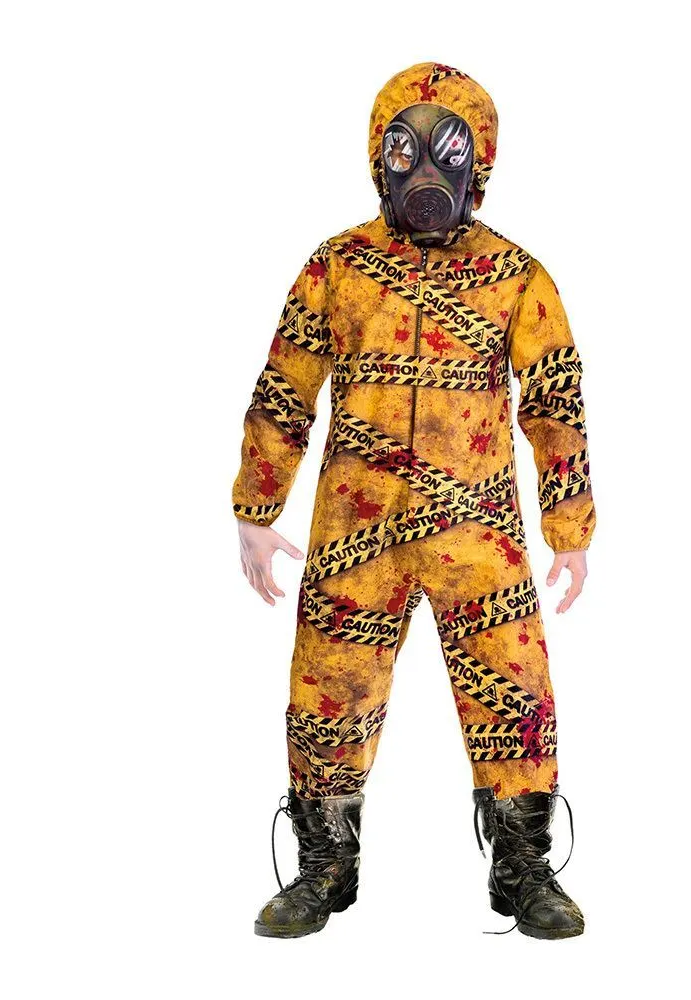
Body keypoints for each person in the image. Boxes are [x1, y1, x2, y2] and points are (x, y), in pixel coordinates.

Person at [234, 63, 595, 940]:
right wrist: (256, 507)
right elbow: (285, 387)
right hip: (356, 531)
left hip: (479, 535)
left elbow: (554, 400)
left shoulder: (516, 276)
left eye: (449, 152)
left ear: (482, 162)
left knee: (514, 694)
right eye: (406, 151)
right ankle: (324, 868)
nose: (426, 173)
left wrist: (570, 528)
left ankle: (523, 868)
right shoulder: (337, 267)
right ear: (378, 157)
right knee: (328, 694)